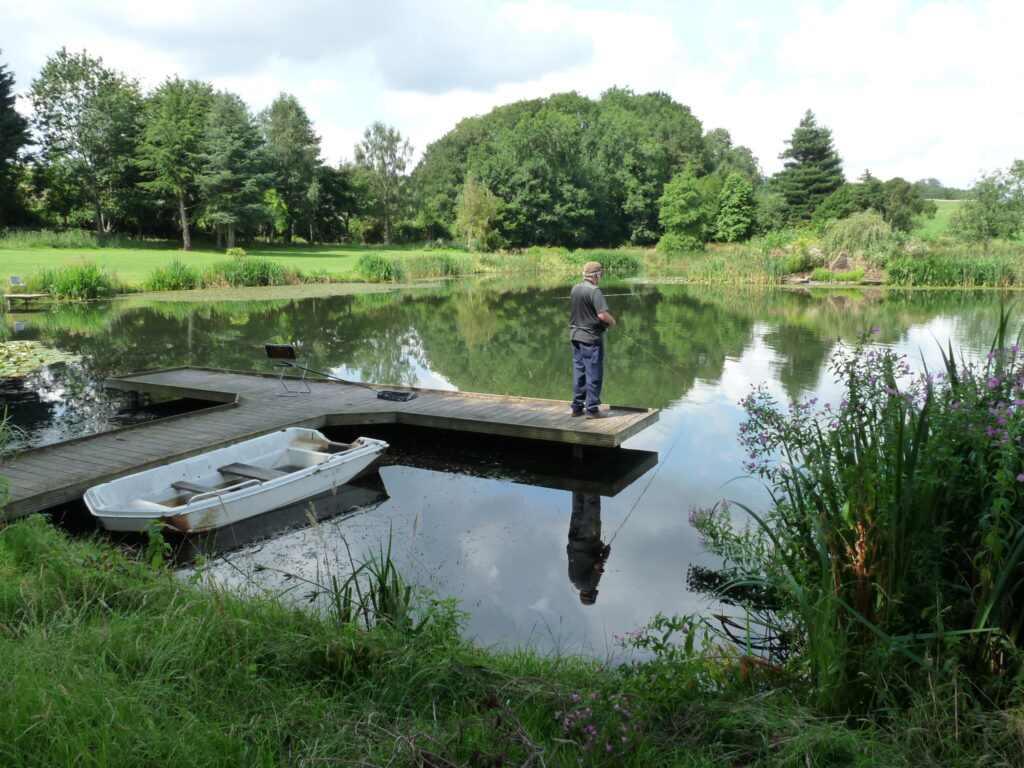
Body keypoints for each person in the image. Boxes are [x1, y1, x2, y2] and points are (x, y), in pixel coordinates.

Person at [569, 260, 616, 418]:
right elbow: (602, 314)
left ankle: (577, 408)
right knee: (593, 373)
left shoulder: (575, 288)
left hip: (575, 336)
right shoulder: (595, 291)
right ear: (596, 275)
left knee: (579, 371)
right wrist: (612, 321)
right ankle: (592, 409)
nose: (600, 277)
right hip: (591, 338)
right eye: (600, 275)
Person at [566, 491, 611, 605]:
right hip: (574, 540)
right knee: (577, 508)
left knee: (591, 505)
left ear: (592, 595)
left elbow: (598, 566)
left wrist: (606, 554)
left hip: (588, 540)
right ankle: (576, 480)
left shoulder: (591, 584)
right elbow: (570, 556)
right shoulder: (573, 580)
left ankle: (591, 480)